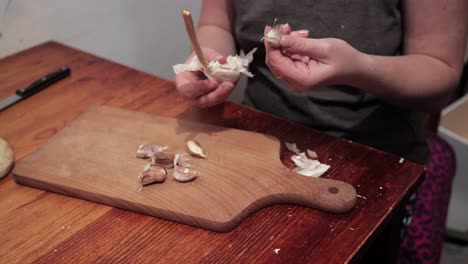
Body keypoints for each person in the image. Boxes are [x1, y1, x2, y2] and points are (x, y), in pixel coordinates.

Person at [175, 0, 467, 165]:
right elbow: (217, 25)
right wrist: (208, 63)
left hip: (374, 158)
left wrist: (358, 69)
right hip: (259, 141)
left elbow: (439, 75)